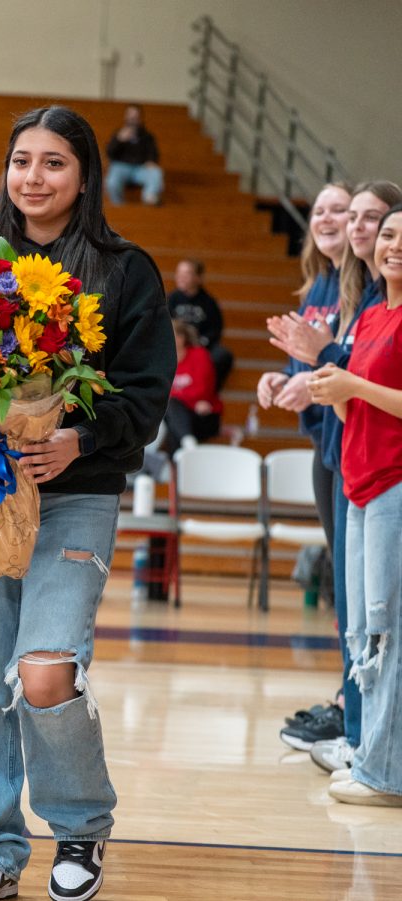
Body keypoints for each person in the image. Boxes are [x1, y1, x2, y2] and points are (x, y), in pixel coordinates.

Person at [0, 105, 175, 901]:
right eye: (22, 161)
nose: (34, 177)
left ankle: (81, 826)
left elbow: (144, 397)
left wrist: (78, 440)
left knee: (46, 670)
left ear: (85, 175)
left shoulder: (125, 270)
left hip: (76, 497)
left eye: (53, 162)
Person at [270, 181, 402, 765]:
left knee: (376, 614)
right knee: (356, 613)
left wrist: (327, 364)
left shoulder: (374, 298)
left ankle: (369, 740)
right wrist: (299, 374)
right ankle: (358, 730)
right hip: (343, 457)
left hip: (380, 467)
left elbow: (356, 378)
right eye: (333, 213)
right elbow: (341, 379)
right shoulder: (356, 295)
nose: (352, 226)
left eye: (369, 218)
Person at [309, 203, 402, 807]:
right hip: (359, 480)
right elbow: (355, 407)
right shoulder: (371, 314)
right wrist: (329, 386)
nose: (393, 245)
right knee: (365, 630)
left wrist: (353, 385)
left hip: (395, 480)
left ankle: (385, 773)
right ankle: (374, 753)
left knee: (390, 630)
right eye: (390, 235)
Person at [256, 182, 352, 752]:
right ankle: (346, 695)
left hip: (350, 438)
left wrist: (308, 382)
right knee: (342, 575)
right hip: (324, 441)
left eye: (342, 210)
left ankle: (351, 701)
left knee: (355, 581)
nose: (330, 218)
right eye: (320, 210)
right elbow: (308, 359)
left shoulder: (360, 286)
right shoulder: (318, 282)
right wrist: (279, 377)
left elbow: (347, 364)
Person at [166, 258, 233, 389]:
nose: (181, 277)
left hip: (200, 345)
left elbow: (215, 329)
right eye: (179, 273)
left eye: (187, 274)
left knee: (223, 355)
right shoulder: (170, 299)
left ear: (198, 278)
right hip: (176, 345)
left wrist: (201, 343)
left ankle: (208, 391)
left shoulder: (209, 302)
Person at [162, 321, 222, 454]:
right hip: (181, 412)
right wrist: (191, 401)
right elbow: (160, 392)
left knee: (171, 410)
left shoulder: (199, 354)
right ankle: (188, 444)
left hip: (204, 415)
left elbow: (201, 389)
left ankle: (178, 468)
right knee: (171, 412)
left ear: (182, 338)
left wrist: (176, 394)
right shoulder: (162, 360)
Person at [104, 104, 163, 206]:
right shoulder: (118, 134)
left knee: (156, 172)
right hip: (121, 167)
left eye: (135, 117)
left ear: (140, 118)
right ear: (126, 117)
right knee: (111, 181)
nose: (132, 120)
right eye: (130, 116)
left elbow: (153, 154)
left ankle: (149, 197)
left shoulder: (147, 136)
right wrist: (119, 140)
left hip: (140, 168)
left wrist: (151, 161)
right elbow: (109, 153)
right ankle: (118, 205)